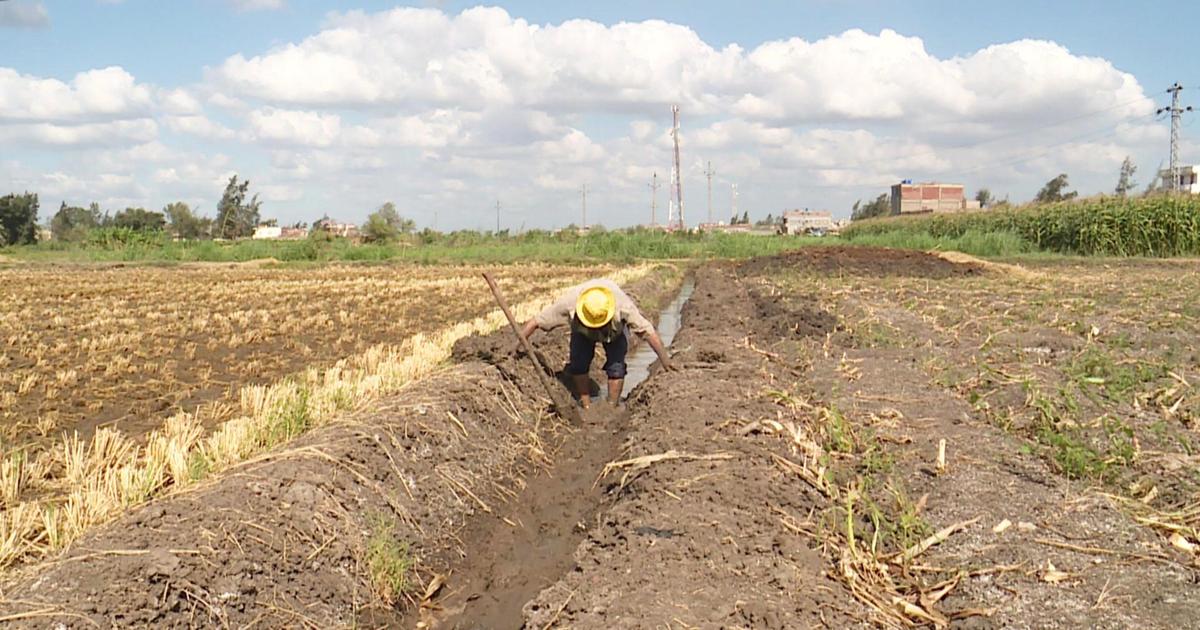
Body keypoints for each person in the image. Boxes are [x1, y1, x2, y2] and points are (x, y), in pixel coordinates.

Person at [520, 278, 675, 408]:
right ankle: (586, 405)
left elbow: (648, 331)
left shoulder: (622, 307)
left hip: (614, 332)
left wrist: (665, 361)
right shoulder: (569, 303)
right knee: (579, 363)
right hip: (582, 331)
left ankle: (611, 406)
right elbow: (536, 321)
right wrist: (516, 347)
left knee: (616, 365)